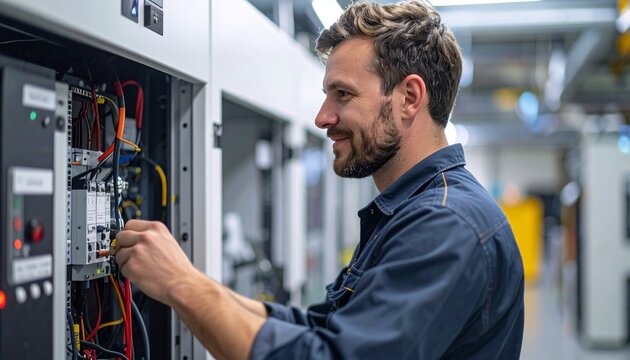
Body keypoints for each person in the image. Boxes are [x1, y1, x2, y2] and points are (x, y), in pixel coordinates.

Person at [115, 1, 524, 359]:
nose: (322, 117)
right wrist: (192, 280)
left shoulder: (445, 224)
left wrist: (181, 286)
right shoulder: (412, 211)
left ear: (409, 98)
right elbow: (320, 326)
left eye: (342, 94)